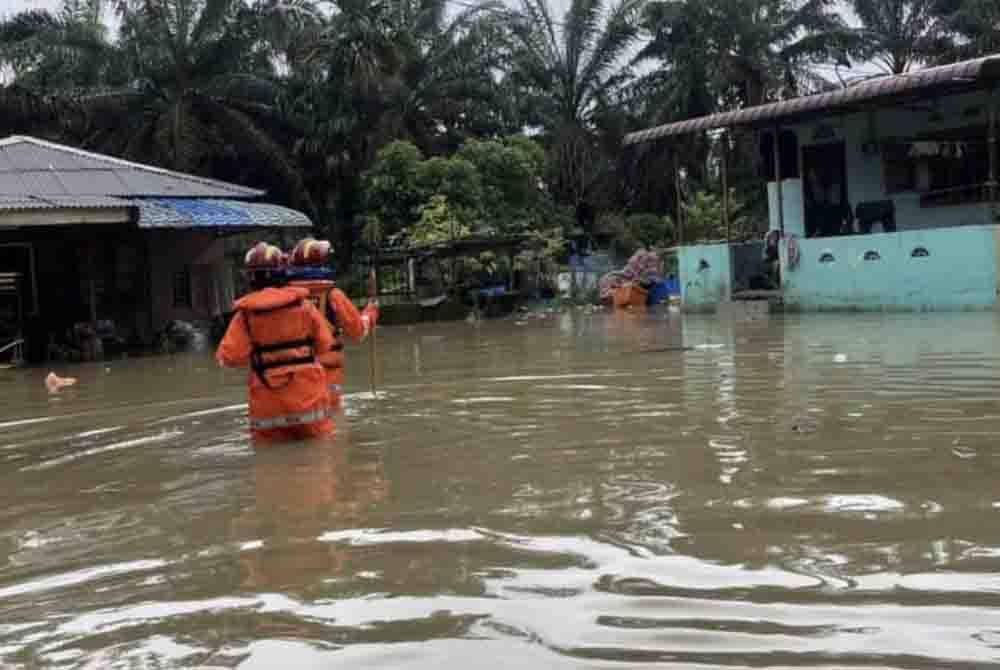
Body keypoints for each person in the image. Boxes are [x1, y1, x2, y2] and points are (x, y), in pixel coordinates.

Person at [216, 242, 335, 443]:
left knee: (268, 466)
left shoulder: (245, 315)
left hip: (267, 405)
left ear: (250, 278)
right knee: (319, 464)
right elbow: (325, 344)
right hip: (309, 399)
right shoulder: (305, 307)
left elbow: (230, 358)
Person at [288, 238, 379, 408]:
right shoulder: (333, 295)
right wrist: (370, 313)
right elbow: (358, 331)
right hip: (326, 376)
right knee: (332, 423)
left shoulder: (284, 297)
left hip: (290, 379)